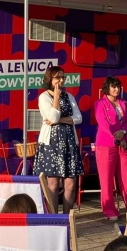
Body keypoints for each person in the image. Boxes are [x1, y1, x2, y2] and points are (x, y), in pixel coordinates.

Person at [35, 65, 83, 214]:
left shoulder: (69, 96)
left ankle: (67, 219)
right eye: (57, 77)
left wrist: (61, 120)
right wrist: (56, 97)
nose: (61, 80)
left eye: (63, 77)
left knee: (70, 184)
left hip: (69, 143)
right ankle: (53, 218)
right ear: (50, 79)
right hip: (51, 144)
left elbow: (78, 118)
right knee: (53, 185)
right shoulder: (44, 97)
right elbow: (52, 117)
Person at [94, 76, 127, 222]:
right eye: (113, 86)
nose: (117, 89)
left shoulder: (124, 103)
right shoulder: (99, 103)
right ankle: (109, 210)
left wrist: (123, 133)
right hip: (106, 145)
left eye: (118, 86)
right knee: (106, 180)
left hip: (125, 144)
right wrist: (117, 136)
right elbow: (103, 123)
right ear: (107, 88)